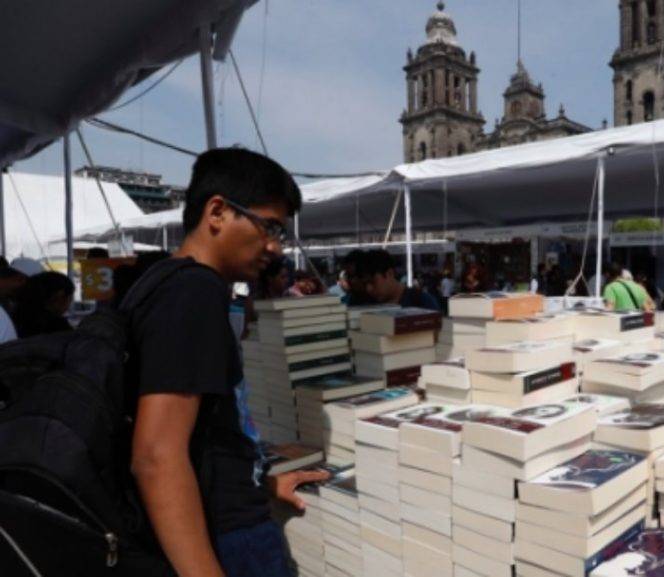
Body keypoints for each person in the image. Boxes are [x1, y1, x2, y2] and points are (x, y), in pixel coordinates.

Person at [126, 148, 327, 577]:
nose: (274, 247)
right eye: (269, 226)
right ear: (217, 211)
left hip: (232, 514)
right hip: (231, 539)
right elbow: (157, 454)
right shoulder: (191, 293)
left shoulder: (167, 283)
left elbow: (203, 436)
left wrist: (263, 484)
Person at [360, 249, 440, 310]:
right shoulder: (366, 306)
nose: (368, 289)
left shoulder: (422, 301)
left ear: (389, 274)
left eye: (372, 282)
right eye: (365, 284)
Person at [11, 271, 75, 338]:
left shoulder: (14, 317)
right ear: (59, 296)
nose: (69, 303)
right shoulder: (58, 327)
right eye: (70, 298)